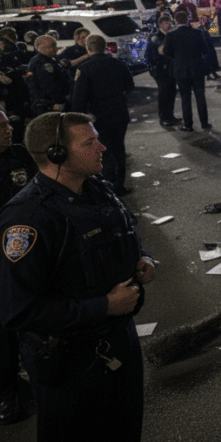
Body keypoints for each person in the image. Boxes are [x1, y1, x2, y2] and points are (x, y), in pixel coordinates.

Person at [0, 112, 155, 441]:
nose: (101, 147)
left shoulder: (96, 188)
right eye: (89, 143)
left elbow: (122, 232)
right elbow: (18, 310)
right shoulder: (28, 218)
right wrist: (104, 306)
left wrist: (142, 258)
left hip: (119, 340)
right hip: (69, 362)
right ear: (57, 154)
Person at [0, 110, 35, 424]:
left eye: (7, 123)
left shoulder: (20, 155)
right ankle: (7, 391)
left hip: (29, 245)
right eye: (1, 126)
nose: (8, 129)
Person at [70, 34, 135, 195]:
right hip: (119, 111)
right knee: (119, 148)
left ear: (88, 48)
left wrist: (80, 117)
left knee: (104, 150)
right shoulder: (117, 63)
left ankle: (108, 187)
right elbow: (129, 85)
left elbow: (78, 97)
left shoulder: (85, 68)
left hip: (98, 115)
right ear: (104, 46)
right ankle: (119, 185)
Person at [163, 10, 213, 132]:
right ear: (187, 20)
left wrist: (177, 57)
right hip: (197, 69)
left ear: (176, 21)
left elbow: (167, 52)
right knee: (200, 97)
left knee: (185, 99)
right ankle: (204, 122)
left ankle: (188, 124)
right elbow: (205, 50)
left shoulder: (171, 35)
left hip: (181, 70)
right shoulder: (197, 33)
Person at [25, 35, 69, 117]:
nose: (56, 49)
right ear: (44, 48)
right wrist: (58, 101)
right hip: (49, 104)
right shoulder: (42, 62)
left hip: (50, 102)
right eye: (53, 46)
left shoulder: (49, 59)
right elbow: (48, 83)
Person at [146, 17, 177, 127]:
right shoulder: (156, 37)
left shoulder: (170, 35)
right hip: (161, 70)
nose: (168, 25)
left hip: (171, 69)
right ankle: (163, 117)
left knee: (172, 92)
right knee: (164, 93)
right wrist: (153, 67)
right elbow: (152, 55)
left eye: (169, 22)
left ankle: (170, 115)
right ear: (160, 25)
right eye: (166, 23)